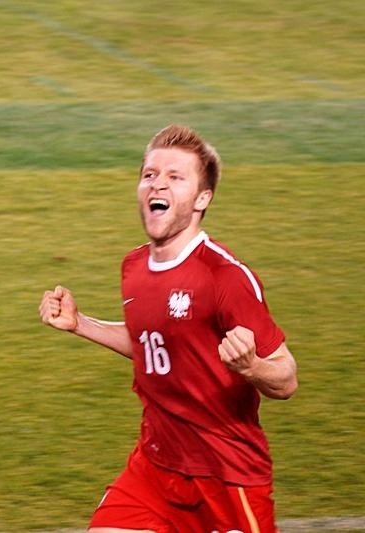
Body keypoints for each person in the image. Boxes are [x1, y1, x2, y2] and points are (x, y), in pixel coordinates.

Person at [39, 124, 298, 533]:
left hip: (226, 475)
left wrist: (251, 367)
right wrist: (80, 324)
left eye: (175, 177)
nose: (158, 184)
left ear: (202, 198)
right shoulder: (134, 266)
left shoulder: (224, 277)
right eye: (150, 174)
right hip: (154, 468)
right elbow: (153, 343)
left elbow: (285, 379)